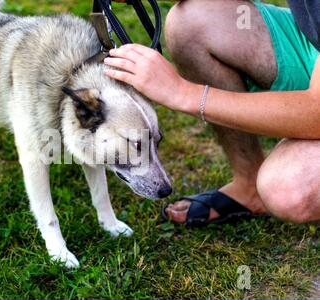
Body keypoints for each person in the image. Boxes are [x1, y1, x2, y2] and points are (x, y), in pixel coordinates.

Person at [104, 0, 320, 226]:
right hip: (313, 43)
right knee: (190, 23)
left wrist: (183, 93)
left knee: (289, 188)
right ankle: (249, 184)